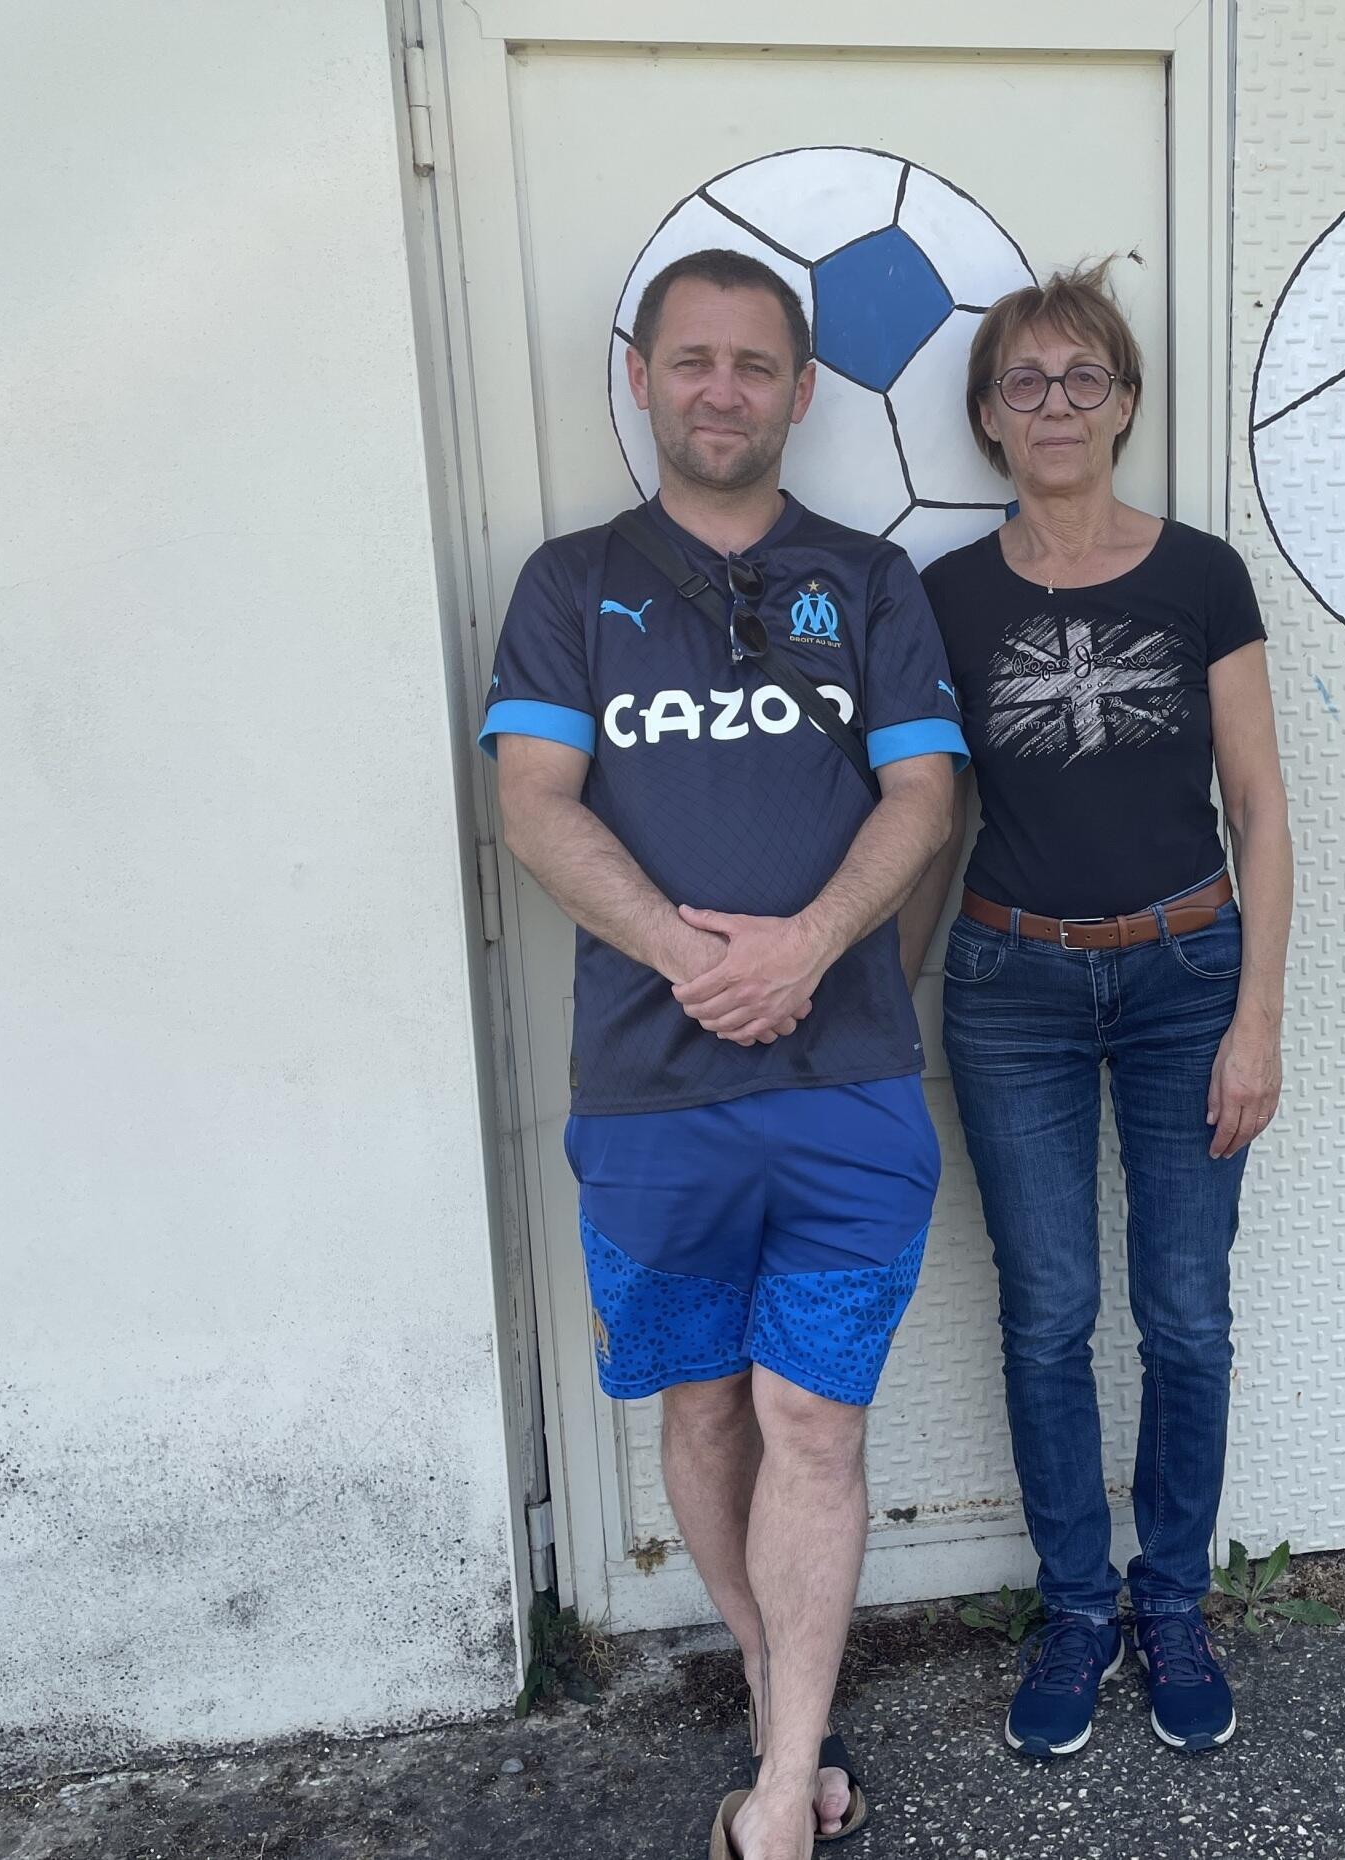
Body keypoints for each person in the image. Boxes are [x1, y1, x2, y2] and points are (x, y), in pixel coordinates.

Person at [479, 248, 965, 1860]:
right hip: (649, 1093)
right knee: (701, 1410)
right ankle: (774, 1687)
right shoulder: (569, 584)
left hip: (845, 1089)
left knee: (815, 1423)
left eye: (755, 365)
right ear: (642, 377)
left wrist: (807, 949)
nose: (722, 390)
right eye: (692, 361)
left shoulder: (873, 584)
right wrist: (699, 960)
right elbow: (533, 802)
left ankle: (781, 1791)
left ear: (802, 389)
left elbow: (922, 795)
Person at [897, 262, 1294, 1758]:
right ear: (990, 420)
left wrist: (1257, 1018)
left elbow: (1257, 808)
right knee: (1049, 1313)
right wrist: (891, 999)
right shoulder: (945, 599)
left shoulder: (1201, 577)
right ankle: (1075, 1608)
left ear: (1125, 402)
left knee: (1188, 1313)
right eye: (1023, 382)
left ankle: (1170, 1596)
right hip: (1011, 990)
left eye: (1083, 378)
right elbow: (928, 822)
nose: (1055, 405)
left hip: (1190, 975)